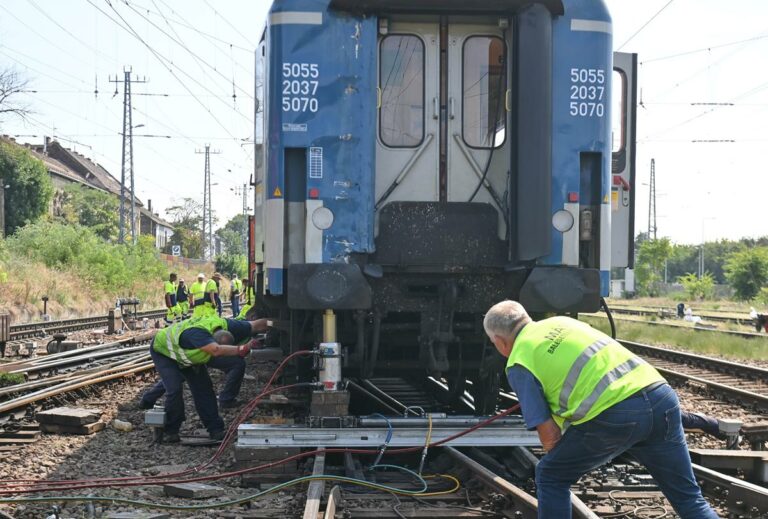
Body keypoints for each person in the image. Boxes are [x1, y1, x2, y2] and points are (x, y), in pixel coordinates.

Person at [483, 300, 718, 519]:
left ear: (501, 341)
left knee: (551, 475)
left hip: (615, 415)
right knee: (689, 499)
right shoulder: (564, 322)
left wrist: (563, 459)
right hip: (660, 397)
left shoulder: (519, 361)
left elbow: (550, 434)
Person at [146, 314, 270, 442]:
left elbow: (257, 324)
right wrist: (243, 348)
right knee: (174, 388)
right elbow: (216, 350)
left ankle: (215, 429)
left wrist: (277, 323)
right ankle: (171, 431)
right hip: (164, 352)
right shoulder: (197, 335)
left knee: (203, 389)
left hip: (189, 355)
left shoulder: (230, 326)